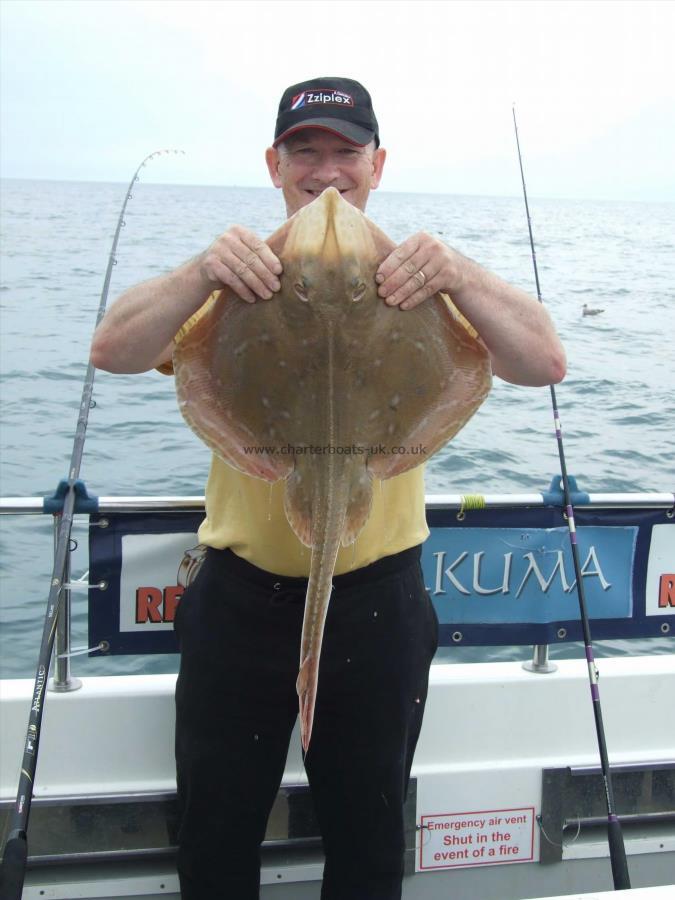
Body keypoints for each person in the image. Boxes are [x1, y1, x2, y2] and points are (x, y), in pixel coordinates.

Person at [91, 77, 566, 900]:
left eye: (345, 151)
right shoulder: (234, 284)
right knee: (214, 832)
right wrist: (202, 270)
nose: (326, 171)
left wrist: (456, 273)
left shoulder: (421, 282)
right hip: (238, 599)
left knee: (370, 838)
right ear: (273, 164)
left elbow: (544, 363)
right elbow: (113, 348)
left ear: (377, 165)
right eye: (304, 150)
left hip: (378, 603)